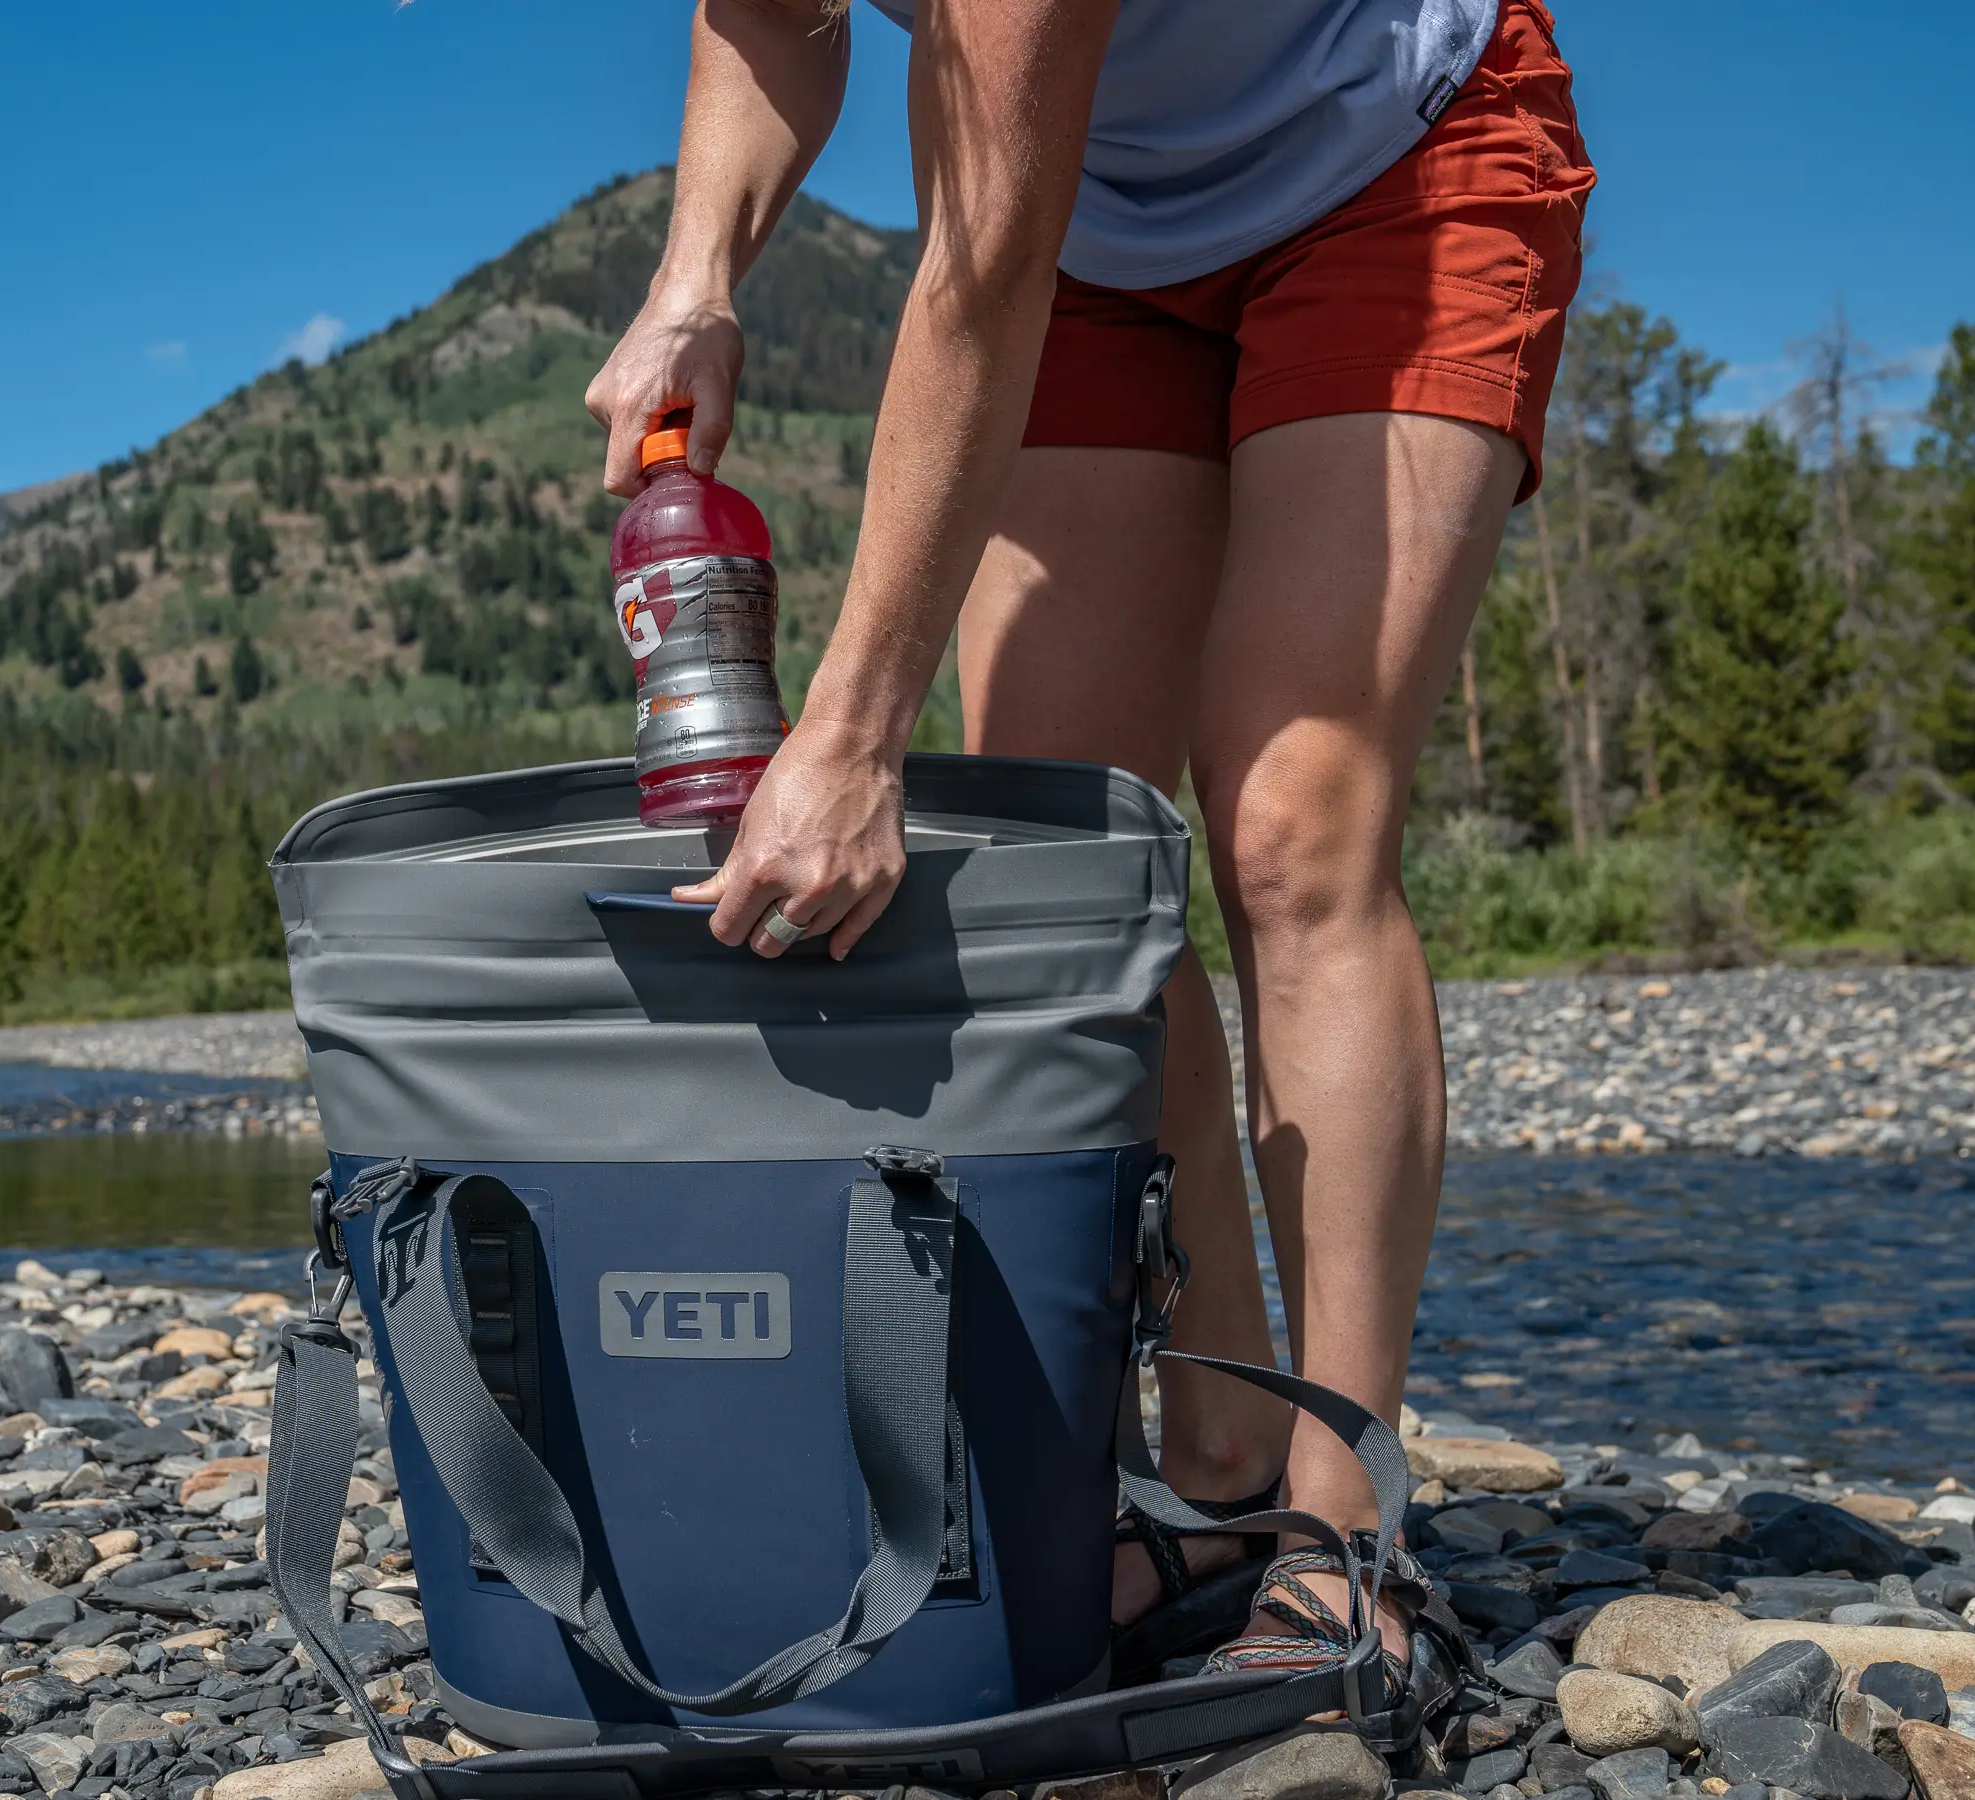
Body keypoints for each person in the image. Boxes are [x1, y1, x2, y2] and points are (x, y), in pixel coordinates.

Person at [586, 0, 1592, 1706]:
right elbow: (771, 20)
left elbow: (981, 276)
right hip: (1109, 236)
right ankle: (1209, 1457)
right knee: (1093, 865)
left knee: (1292, 826)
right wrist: (700, 276)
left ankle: (1345, 1527)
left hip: (1397, 163)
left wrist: (846, 738)